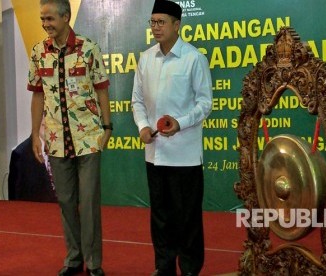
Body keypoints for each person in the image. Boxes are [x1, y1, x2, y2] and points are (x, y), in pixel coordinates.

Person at [27, 0, 111, 275]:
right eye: (42, 19)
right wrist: (34, 134)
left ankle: (94, 264)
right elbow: (37, 95)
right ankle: (74, 259)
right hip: (55, 139)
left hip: (88, 137)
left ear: (66, 17)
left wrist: (107, 128)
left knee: (88, 203)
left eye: (50, 18)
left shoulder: (89, 48)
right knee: (65, 200)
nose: (45, 24)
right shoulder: (39, 52)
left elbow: (101, 90)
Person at [131, 1, 213, 275]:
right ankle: (163, 267)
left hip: (185, 155)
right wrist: (143, 126)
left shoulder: (193, 58)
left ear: (177, 25)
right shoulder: (145, 59)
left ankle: (190, 269)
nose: (155, 27)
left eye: (161, 22)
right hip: (154, 154)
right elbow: (137, 101)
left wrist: (181, 122)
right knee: (161, 218)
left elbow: (205, 104)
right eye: (152, 22)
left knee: (187, 218)